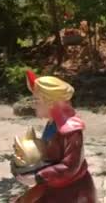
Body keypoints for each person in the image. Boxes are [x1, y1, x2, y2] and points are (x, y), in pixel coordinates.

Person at [11, 71, 96, 202]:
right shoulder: (53, 123)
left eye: (37, 100)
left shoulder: (71, 131)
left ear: (50, 103)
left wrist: (38, 176)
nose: (34, 105)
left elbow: (70, 167)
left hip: (71, 192)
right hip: (54, 184)